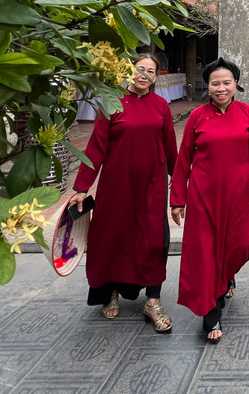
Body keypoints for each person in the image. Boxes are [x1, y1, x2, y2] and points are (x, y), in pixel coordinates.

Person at [68, 53, 178, 332]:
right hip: (116, 185)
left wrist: (178, 181)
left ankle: (153, 301)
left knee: (155, 239)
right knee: (113, 237)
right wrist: (81, 187)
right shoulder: (112, 104)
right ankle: (111, 290)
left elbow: (170, 148)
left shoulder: (161, 106)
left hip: (151, 187)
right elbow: (96, 147)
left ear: (156, 77)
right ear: (130, 71)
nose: (144, 75)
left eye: (151, 71)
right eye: (140, 69)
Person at [170, 57, 249, 343]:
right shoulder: (197, 117)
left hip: (237, 195)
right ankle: (211, 312)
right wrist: (178, 199)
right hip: (202, 197)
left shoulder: (246, 112)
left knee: (241, 246)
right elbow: (183, 160)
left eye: (226, 82)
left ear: (236, 84)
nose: (221, 88)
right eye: (215, 83)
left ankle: (226, 276)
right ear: (208, 86)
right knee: (206, 253)